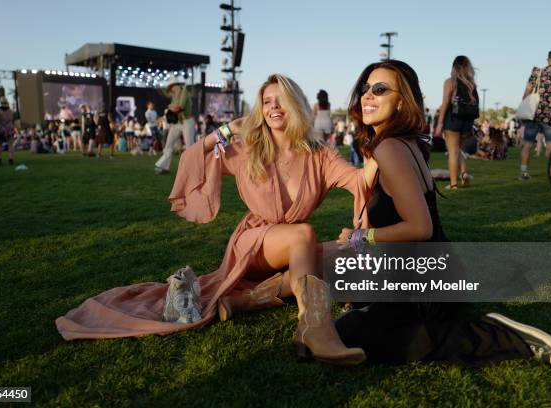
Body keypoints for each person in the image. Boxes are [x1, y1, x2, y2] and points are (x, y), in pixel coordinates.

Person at [56, 74, 373, 365]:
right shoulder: (247, 149)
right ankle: (315, 329)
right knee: (304, 234)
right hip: (254, 243)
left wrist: (385, 146)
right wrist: (223, 131)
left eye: (281, 101)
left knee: (339, 255)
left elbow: (360, 181)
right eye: (266, 102)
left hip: (291, 250)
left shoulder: (320, 155)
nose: (274, 108)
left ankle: (248, 300)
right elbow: (195, 157)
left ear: (297, 105)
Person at [333, 60, 551, 370]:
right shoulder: (403, 144)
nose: (367, 96)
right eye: (366, 88)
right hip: (439, 280)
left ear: (402, 101)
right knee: (345, 284)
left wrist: (361, 236)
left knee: (342, 334)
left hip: (422, 292)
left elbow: (420, 227)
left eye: (380, 89)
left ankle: (502, 336)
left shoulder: (390, 148)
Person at [519, 50, 551, 180]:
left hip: (535, 114)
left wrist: (523, 105)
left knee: (528, 144)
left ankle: (524, 173)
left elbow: (528, 90)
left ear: (548, 59)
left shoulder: (537, 72)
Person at [435, 56, 479, 189]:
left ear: (454, 67)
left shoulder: (450, 82)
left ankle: (453, 184)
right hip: (467, 122)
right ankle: (464, 173)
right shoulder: (471, 83)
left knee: (452, 152)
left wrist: (440, 123)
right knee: (458, 150)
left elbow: (445, 103)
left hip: (453, 120)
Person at [154, 79, 196, 174]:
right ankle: (164, 167)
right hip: (178, 122)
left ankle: (192, 169)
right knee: (169, 144)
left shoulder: (184, 91)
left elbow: (178, 108)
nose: (171, 90)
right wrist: (166, 113)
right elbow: (173, 108)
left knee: (190, 146)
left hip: (187, 122)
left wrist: (168, 109)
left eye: (171, 87)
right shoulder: (175, 95)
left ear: (176, 85)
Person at [0, 96, 15, 165]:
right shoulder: (10, 111)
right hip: (10, 128)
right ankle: (10, 158)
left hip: (1, 129)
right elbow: (11, 119)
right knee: (10, 144)